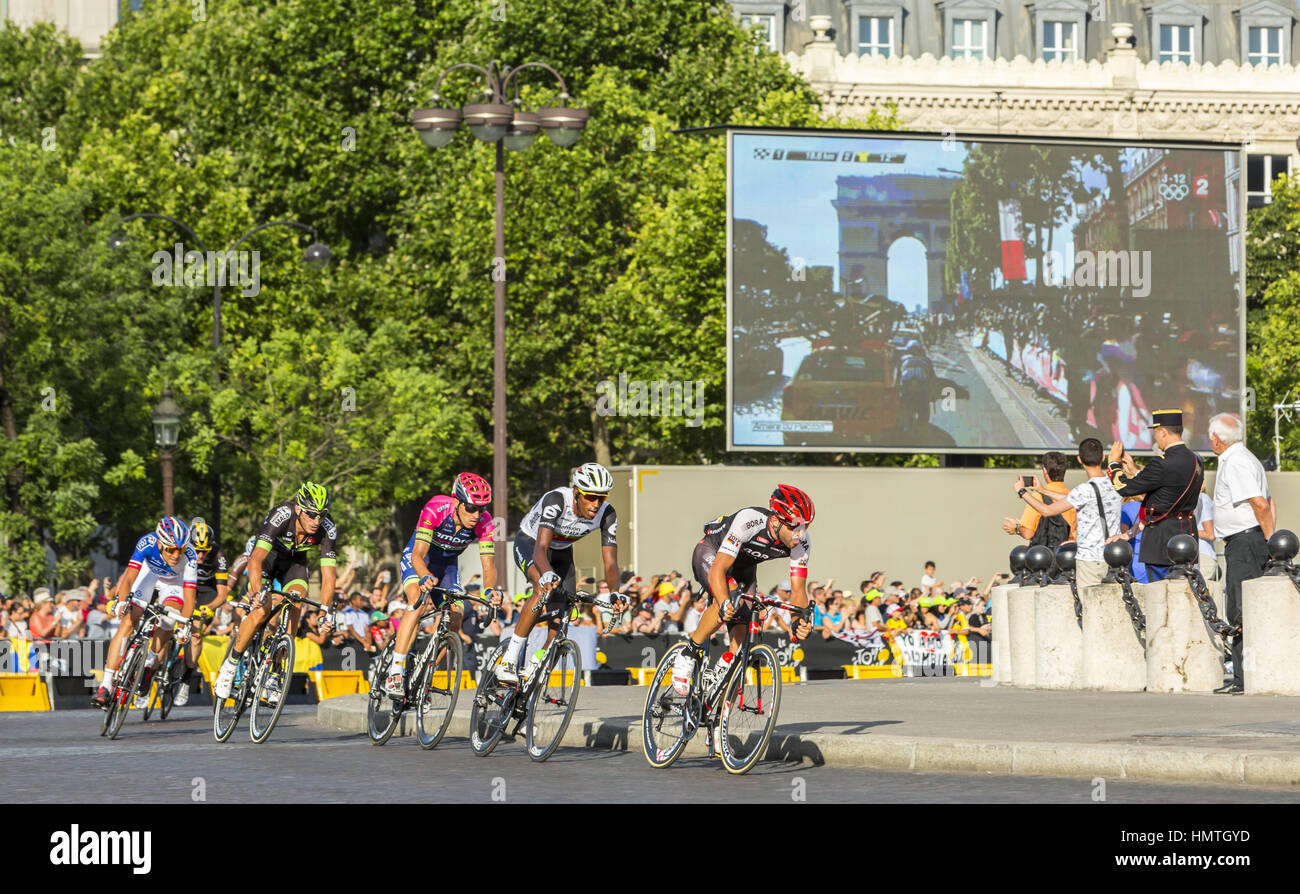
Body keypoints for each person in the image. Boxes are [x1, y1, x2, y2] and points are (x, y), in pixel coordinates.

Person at [671, 485, 816, 695]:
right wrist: (724, 601)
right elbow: (719, 569)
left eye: (805, 527)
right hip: (713, 553)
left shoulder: (801, 541)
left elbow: (798, 590)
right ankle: (688, 653)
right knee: (731, 599)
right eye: (794, 527)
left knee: (743, 635)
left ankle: (719, 697)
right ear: (776, 521)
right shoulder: (750, 519)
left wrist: (798, 620)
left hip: (743, 568)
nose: (800, 533)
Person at [494, 463, 629, 684]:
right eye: (591, 497)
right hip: (531, 543)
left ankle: (536, 668)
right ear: (576, 493)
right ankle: (509, 658)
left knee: (563, 615)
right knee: (541, 588)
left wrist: (615, 592)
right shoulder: (556, 500)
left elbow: (611, 561)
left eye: (601, 498)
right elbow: (540, 549)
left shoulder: (608, 514)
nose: (596, 504)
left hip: (562, 551)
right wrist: (546, 573)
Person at [214, 482, 338, 700]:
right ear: (299, 509)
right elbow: (255, 559)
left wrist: (324, 613)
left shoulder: (327, 528)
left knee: (297, 600)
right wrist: (256, 593)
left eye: (321, 515)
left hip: (294, 565)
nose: (316, 521)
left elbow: (328, 577)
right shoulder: (281, 515)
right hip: (266, 561)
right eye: (311, 514)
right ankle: (231, 665)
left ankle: (276, 670)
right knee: (262, 610)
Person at [382, 472, 501, 698]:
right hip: (420, 559)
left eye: (482, 508)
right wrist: (424, 575)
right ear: (456, 501)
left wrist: (490, 590)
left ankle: (425, 673)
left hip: (447, 567)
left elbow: (488, 567)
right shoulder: (436, 508)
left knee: (455, 614)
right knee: (417, 599)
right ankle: (396, 670)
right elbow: (418, 554)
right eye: (471, 507)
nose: (477, 514)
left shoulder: (484, 523)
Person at [91, 517, 198, 708]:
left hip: (173, 583)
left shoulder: (190, 556)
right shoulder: (147, 542)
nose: (176, 554)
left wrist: (183, 626)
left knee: (169, 618)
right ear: (159, 543)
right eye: (171, 549)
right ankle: (105, 685)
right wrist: (122, 602)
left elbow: (189, 598)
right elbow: (129, 578)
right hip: (149, 575)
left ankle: (149, 664)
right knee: (128, 623)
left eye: (180, 550)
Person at [1208, 412, 1274, 694]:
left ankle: (1244, 679)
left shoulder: (1235, 462)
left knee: (1241, 611)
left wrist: (1270, 541)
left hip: (1245, 543)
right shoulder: (1245, 458)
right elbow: (1269, 501)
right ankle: (1246, 676)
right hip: (1246, 541)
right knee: (1244, 609)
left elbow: (1260, 504)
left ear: (1216, 438)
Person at [1106, 410, 1204, 581]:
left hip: (1161, 543)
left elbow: (1124, 488)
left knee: (1161, 600)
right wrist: (1130, 533)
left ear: (1163, 432)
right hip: (1187, 539)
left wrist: (1113, 463)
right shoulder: (1196, 460)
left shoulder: (1162, 462)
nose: (1155, 438)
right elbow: (1164, 500)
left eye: (1156, 433)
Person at [1014, 438, 1122, 589]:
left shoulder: (1084, 490)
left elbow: (1047, 511)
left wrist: (1022, 492)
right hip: (1115, 558)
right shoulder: (1115, 485)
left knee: (1088, 606)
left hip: (1090, 559)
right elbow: (1071, 498)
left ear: (1079, 459)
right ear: (1102, 458)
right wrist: (1042, 490)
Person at [172, 518, 228, 707]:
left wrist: (209, 608)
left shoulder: (218, 555)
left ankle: (186, 679)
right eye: (197, 550)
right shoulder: (181, 552)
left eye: (205, 550)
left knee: (196, 635)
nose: (201, 554)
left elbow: (222, 594)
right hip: (183, 587)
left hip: (206, 593)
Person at [1002, 452, 1076, 549]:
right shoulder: (1074, 497)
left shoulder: (1037, 498)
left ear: (1045, 470)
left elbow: (1028, 533)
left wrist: (1016, 528)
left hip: (1047, 556)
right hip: (1071, 554)